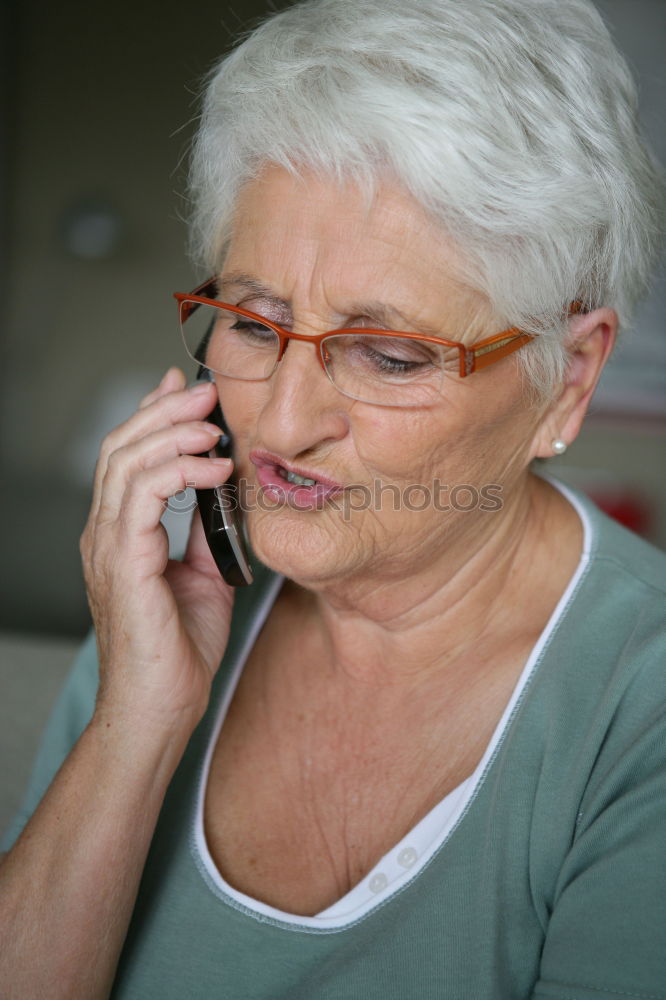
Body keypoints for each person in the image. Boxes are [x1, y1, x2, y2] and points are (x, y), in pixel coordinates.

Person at [1, 0, 665, 996]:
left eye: (390, 356)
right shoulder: (169, 610)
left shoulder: (637, 709)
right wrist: (136, 719)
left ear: (567, 377)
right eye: (255, 324)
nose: (280, 421)